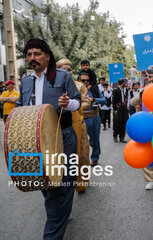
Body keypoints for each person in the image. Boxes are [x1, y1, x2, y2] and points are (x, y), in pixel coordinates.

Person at [16, 38, 81, 239]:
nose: (32, 58)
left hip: (61, 137)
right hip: (34, 142)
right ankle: (61, 211)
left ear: (47, 56)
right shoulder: (26, 80)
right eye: (29, 55)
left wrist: (67, 102)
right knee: (42, 181)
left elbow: (77, 102)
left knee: (61, 186)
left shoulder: (62, 77)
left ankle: (52, 233)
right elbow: (20, 106)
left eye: (36, 54)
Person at [56, 58, 91, 193]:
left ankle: (81, 182)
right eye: (64, 70)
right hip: (59, 126)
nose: (67, 72)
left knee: (82, 154)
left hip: (78, 124)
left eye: (69, 69)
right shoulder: (53, 85)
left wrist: (72, 104)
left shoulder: (79, 86)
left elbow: (86, 102)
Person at [80, 72, 106, 166]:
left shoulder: (94, 89)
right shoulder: (75, 90)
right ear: (79, 81)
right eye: (83, 80)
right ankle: (82, 160)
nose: (86, 82)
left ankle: (95, 157)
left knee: (94, 140)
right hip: (81, 118)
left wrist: (94, 99)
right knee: (82, 141)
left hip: (94, 117)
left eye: (88, 80)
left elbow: (104, 100)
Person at [112, 79, 129, 143]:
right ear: (122, 83)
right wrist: (115, 109)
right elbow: (113, 100)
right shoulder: (116, 90)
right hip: (118, 108)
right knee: (117, 123)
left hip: (123, 108)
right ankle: (115, 136)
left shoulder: (124, 90)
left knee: (123, 123)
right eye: (124, 82)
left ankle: (122, 137)